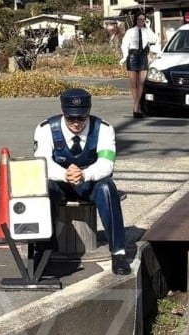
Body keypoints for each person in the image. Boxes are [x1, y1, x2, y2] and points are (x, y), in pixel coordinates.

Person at [33, 88, 131, 276]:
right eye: (71, 119)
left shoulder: (104, 129)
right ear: (63, 113)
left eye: (81, 118)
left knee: (107, 189)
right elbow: (42, 162)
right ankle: (42, 250)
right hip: (59, 183)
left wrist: (84, 174)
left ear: (88, 112)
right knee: (45, 190)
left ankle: (118, 253)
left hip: (90, 183)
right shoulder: (45, 130)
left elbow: (106, 164)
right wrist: (64, 175)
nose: (76, 123)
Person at [121, 13, 159, 117]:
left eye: (143, 19)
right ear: (136, 20)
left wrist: (148, 26)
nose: (141, 21)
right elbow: (124, 45)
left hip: (143, 56)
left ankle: (136, 108)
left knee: (141, 83)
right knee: (134, 85)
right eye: (139, 19)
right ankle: (137, 108)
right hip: (132, 56)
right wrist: (125, 57)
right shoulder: (130, 31)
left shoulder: (147, 31)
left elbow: (153, 40)